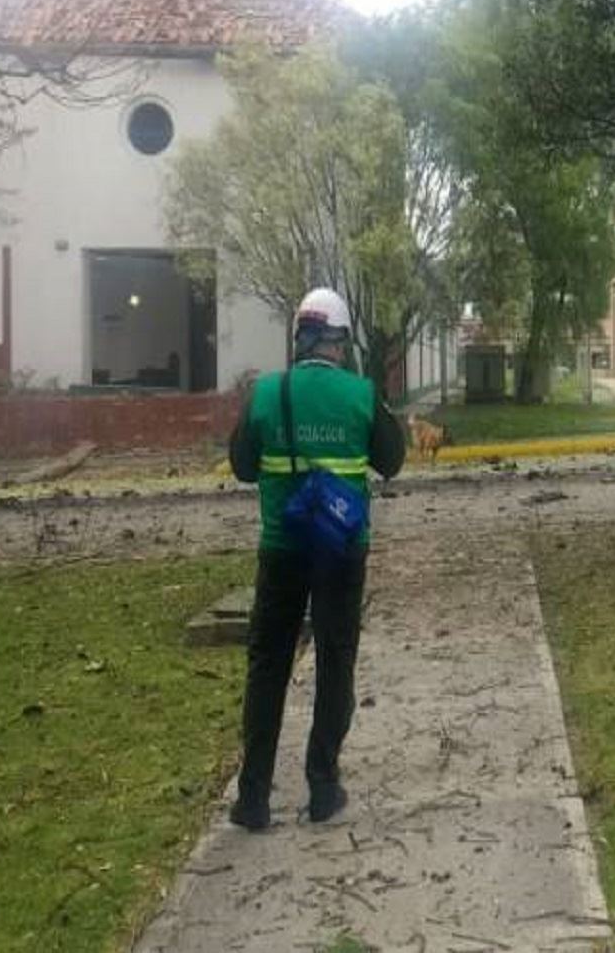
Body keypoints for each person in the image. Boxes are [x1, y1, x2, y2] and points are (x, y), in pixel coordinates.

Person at [226, 287, 404, 830]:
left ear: (299, 336)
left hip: (282, 550)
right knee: (335, 659)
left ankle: (253, 797)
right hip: (342, 552)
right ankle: (322, 785)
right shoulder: (360, 394)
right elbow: (392, 461)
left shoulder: (265, 393)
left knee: (268, 666)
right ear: (339, 340)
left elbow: (242, 466)